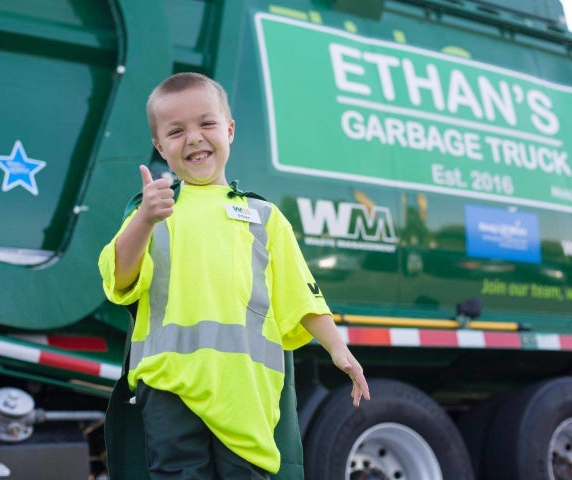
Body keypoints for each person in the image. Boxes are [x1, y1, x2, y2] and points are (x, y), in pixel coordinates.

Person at [98, 72, 370, 479]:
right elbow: (119, 277)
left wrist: (337, 348)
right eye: (176, 131)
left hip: (247, 392)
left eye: (206, 124)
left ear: (229, 130)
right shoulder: (153, 211)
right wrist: (144, 218)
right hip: (168, 386)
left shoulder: (265, 218)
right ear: (159, 146)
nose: (193, 138)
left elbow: (301, 295)